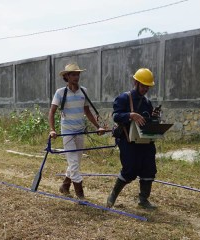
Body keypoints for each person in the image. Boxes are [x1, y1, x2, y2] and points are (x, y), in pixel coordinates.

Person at [107, 68, 162, 209]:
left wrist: (154, 117)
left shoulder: (147, 102)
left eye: (147, 86)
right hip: (128, 141)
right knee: (130, 169)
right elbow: (115, 116)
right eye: (143, 85)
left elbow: (147, 120)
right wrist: (130, 115)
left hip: (145, 141)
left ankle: (143, 200)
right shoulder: (124, 98)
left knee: (149, 168)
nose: (145, 89)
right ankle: (113, 194)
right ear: (136, 83)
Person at [48, 63, 104, 200]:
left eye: (78, 74)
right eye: (73, 74)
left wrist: (98, 127)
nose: (76, 77)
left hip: (80, 131)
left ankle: (65, 186)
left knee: (76, 163)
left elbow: (87, 111)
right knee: (73, 163)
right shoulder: (60, 93)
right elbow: (52, 112)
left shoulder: (83, 91)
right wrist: (52, 130)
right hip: (67, 132)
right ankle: (81, 196)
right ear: (66, 76)